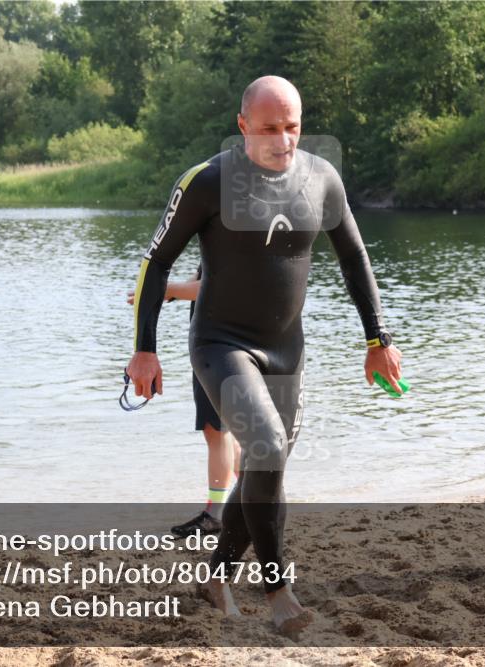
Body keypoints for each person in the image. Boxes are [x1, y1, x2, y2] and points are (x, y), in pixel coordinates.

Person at [126, 75, 403, 636]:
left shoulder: (321, 179)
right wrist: (144, 351)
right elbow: (155, 264)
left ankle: (217, 576)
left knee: (263, 469)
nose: (283, 140)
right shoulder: (209, 181)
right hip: (220, 343)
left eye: (293, 127)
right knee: (268, 447)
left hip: (286, 350)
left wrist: (378, 340)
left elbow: (355, 258)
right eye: (270, 128)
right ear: (244, 125)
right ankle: (277, 589)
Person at [127, 270, 243, 536]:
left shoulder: (235, 230)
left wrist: (166, 288)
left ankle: (215, 513)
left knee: (217, 430)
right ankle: (255, 496)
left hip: (224, 343)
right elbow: (205, 276)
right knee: (227, 432)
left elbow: (219, 287)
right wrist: (167, 292)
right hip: (221, 341)